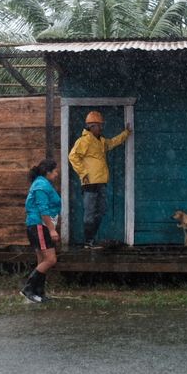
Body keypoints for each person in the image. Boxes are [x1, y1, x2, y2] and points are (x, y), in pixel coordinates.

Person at [67, 110, 131, 249]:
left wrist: (125, 133)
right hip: (89, 182)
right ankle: (88, 242)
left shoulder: (101, 141)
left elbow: (112, 142)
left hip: (101, 182)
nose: (102, 128)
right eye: (99, 125)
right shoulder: (84, 141)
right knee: (89, 213)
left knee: (101, 210)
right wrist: (83, 172)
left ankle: (90, 239)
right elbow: (73, 156)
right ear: (92, 126)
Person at [21, 158, 62, 303]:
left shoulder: (42, 183)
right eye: (55, 171)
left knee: (42, 260)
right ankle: (28, 289)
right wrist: (51, 230)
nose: (57, 173)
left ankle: (38, 293)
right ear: (48, 172)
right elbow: (43, 209)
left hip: (38, 225)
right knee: (51, 259)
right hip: (39, 225)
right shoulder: (41, 186)